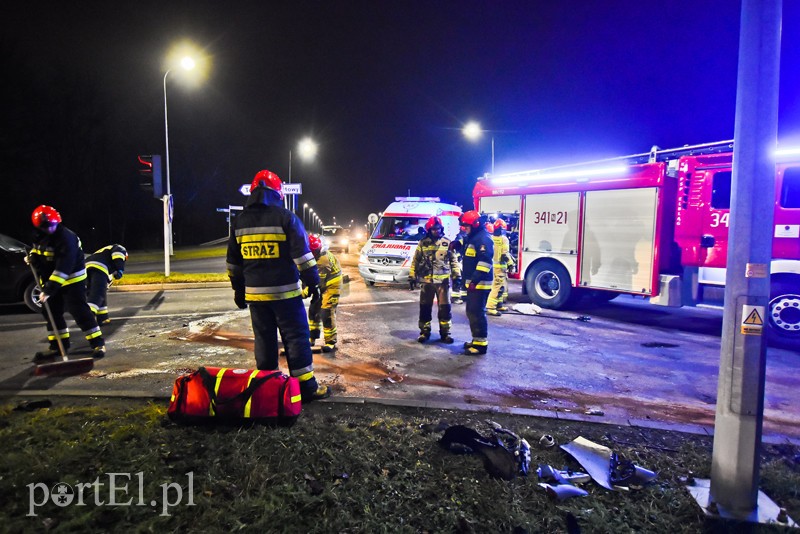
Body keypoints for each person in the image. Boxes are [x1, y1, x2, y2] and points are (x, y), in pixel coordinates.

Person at [226, 170, 330, 402]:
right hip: (286, 295)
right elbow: (303, 257)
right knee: (296, 338)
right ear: (277, 194)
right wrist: (313, 284)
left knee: (264, 341)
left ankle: (268, 388)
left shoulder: (239, 222)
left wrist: (238, 291)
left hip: (256, 298)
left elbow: (233, 264)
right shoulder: (286, 218)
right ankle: (306, 388)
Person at [28, 205, 106, 360]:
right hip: (51, 280)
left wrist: (49, 290)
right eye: (45, 226)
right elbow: (38, 251)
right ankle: (58, 346)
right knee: (51, 313)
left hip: (72, 280)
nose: (49, 229)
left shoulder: (67, 238)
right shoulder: (39, 236)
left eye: (51, 225)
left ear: (57, 222)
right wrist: (32, 257)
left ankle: (98, 343)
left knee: (79, 311)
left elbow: (63, 268)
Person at [409, 216, 461, 343]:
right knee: (425, 308)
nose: (436, 231)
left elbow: (453, 261)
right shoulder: (423, 243)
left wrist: (457, 276)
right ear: (429, 229)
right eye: (433, 229)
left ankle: (445, 333)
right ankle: (425, 332)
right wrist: (412, 275)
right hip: (426, 281)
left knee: (445, 309)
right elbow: (415, 260)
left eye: (438, 229)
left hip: (443, 283)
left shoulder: (447, 243)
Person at [458, 210, 494, 355]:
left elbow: (485, 262)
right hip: (474, 283)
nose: (464, 228)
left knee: (476, 312)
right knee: (472, 311)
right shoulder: (474, 236)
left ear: (476, 224)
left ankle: (480, 345)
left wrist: (475, 280)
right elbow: (466, 243)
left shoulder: (483, 239)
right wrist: (457, 243)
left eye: (467, 226)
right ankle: (476, 340)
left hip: (480, 283)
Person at [306, 234, 342, 353]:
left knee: (326, 312)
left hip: (332, 285)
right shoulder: (314, 255)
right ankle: (312, 337)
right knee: (313, 310)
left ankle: (331, 342)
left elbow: (317, 283)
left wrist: (302, 293)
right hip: (322, 284)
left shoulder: (322, 260)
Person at [85, 244, 128, 325]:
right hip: (99, 266)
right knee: (98, 294)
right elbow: (118, 255)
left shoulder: (103, 252)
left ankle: (102, 318)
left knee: (97, 292)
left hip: (86, 268)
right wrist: (120, 269)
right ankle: (88, 316)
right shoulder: (120, 248)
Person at [486, 218, 515, 316]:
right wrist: (511, 264)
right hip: (500, 268)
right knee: (497, 287)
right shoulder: (504, 239)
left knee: (499, 287)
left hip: (493, 266)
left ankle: (498, 305)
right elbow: (505, 254)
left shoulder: (491, 238)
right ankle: (491, 307)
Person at [449, 227, 468, 304]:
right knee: (457, 278)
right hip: (457, 262)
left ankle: (463, 296)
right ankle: (455, 297)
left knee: (462, 279)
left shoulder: (462, 238)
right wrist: (459, 257)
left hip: (460, 261)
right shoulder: (460, 239)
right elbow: (456, 251)